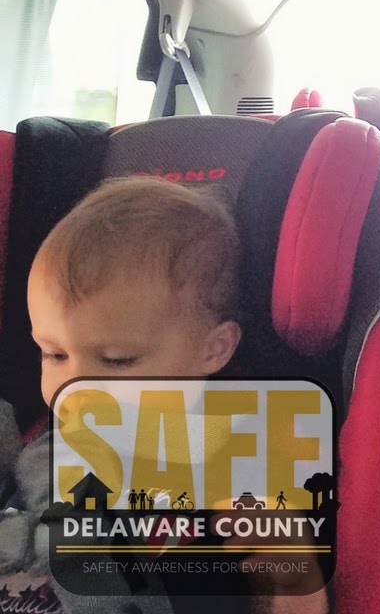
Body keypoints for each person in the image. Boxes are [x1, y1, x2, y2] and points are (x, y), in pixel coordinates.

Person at [0, 177, 324, 614]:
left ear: (214, 349)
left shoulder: (248, 454)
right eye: (54, 353)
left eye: (118, 360)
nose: (74, 385)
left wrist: (292, 572)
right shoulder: (53, 444)